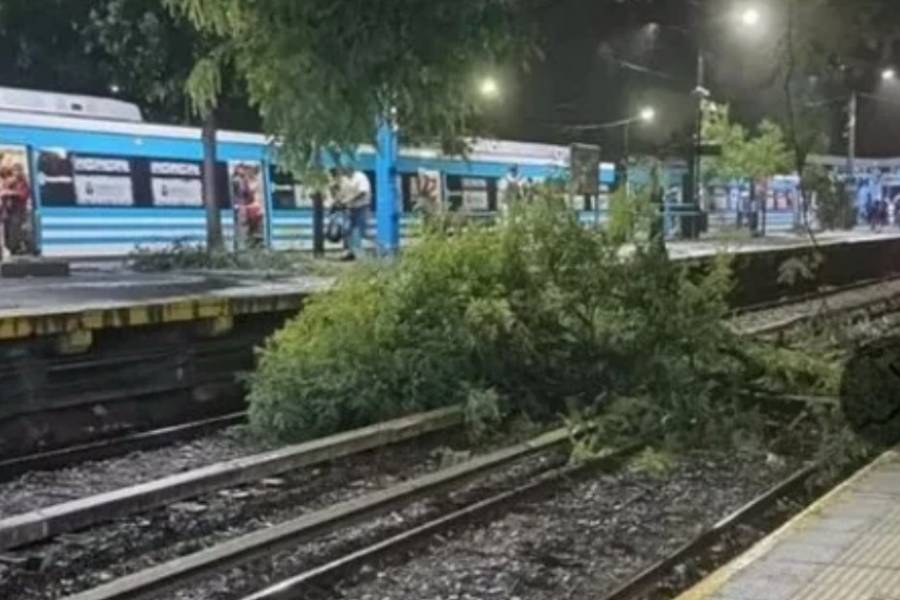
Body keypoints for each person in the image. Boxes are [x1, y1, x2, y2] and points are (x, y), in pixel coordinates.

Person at [333, 168, 371, 261]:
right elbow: (340, 193)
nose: (342, 174)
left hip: (361, 207)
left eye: (343, 171)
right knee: (346, 229)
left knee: (358, 230)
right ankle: (349, 252)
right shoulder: (343, 179)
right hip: (349, 208)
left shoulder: (360, 177)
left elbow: (363, 192)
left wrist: (349, 199)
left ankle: (358, 253)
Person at [0, 162, 31, 256]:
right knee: (7, 234)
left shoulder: (24, 182)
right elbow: (2, 194)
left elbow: (24, 195)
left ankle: (16, 250)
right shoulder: (9, 182)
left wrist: (10, 193)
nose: (16, 173)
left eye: (18, 170)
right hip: (7, 212)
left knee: (15, 233)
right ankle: (10, 248)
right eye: (15, 170)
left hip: (18, 212)